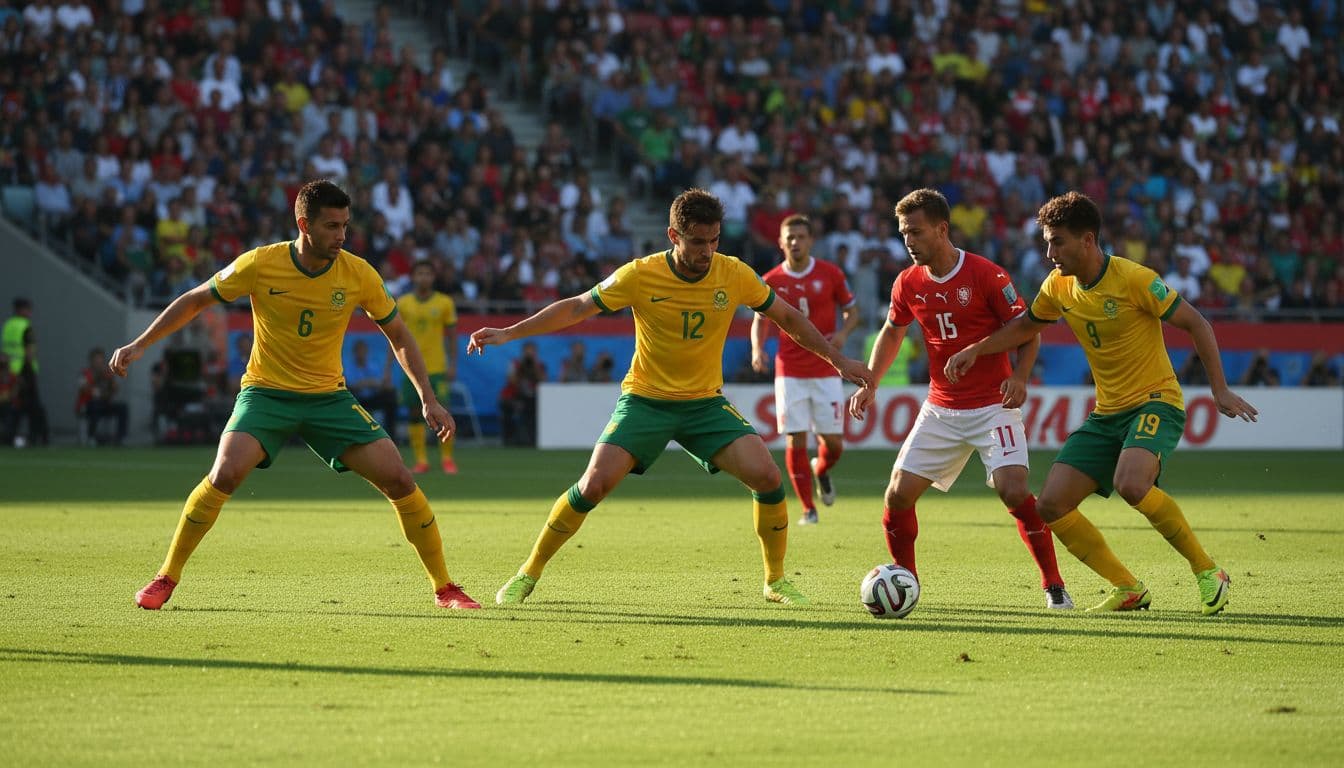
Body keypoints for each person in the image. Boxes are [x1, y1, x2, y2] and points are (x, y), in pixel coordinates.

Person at [469, 188, 874, 606]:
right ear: (673, 236)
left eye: (715, 240)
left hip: (704, 404)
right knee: (592, 485)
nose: (708, 251)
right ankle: (528, 573)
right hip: (646, 401)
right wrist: (509, 332)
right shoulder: (639, 275)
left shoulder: (733, 273)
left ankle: (775, 581)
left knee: (768, 478)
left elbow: (787, 317)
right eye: (698, 241)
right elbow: (576, 307)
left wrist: (838, 360)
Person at [109, 180, 480, 611]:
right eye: (331, 226)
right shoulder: (261, 264)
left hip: (329, 399)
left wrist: (427, 398)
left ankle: (444, 588)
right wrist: (139, 344)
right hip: (266, 394)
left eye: (345, 226)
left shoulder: (358, 273)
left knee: (399, 479)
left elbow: (398, 334)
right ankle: (165, 577)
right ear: (303, 224)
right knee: (225, 473)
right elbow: (195, 301)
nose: (341, 236)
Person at [945, 191, 1258, 615]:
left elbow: (1197, 324)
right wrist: (977, 350)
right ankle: (1127, 587)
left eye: (1057, 241)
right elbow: (1025, 326)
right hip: (1107, 413)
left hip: (1156, 402)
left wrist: (1218, 389)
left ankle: (1207, 571)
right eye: (1047, 242)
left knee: (1132, 484)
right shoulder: (1058, 286)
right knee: (1051, 504)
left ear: (1088, 240)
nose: (1049, 251)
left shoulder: (1134, 279)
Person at [850, 189, 1072, 610]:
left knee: (1013, 490)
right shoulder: (908, 281)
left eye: (915, 232)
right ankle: (905, 582)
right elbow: (893, 332)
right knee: (897, 495)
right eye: (902, 234)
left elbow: (1029, 330)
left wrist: (1021, 377)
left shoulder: (987, 275)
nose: (908, 242)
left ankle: (1054, 586)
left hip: (993, 407)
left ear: (942, 228)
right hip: (941, 408)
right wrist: (871, 382)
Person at [750, 214, 860, 525]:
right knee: (795, 438)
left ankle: (821, 470)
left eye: (801, 236)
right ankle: (807, 509)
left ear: (810, 240)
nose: (796, 242)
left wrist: (842, 333)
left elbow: (853, 311)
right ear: (781, 243)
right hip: (790, 370)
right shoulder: (771, 279)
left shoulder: (831, 274)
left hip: (826, 368)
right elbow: (760, 318)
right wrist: (757, 348)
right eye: (790, 238)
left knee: (833, 444)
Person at [396, 260, 459, 473]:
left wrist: (452, 365)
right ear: (413, 277)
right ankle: (421, 461)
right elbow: (394, 338)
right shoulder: (403, 303)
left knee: (444, 410)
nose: (424, 277)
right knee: (414, 412)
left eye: (428, 273)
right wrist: (389, 368)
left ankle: (447, 459)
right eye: (420, 273)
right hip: (410, 369)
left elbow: (452, 338)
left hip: (437, 368)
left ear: (433, 277)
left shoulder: (444, 303)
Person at [2, 297, 49, 447]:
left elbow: (5, 352)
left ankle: (9, 435)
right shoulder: (26, 327)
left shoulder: (8, 325)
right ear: (22, 310)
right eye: (28, 309)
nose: (30, 312)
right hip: (25, 370)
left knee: (15, 405)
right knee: (33, 405)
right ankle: (38, 436)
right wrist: (28, 370)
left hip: (9, 371)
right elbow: (29, 352)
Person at [346, 338, 399, 443]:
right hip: (356, 399)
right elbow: (351, 385)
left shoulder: (373, 365)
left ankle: (391, 437)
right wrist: (369, 383)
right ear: (354, 353)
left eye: (363, 351)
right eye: (358, 351)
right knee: (347, 396)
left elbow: (381, 383)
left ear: (366, 352)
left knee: (390, 395)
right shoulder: (349, 367)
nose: (361, 354)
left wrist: (365, 383)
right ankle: (350, 436)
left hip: (372, 397)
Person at [76, 346, 128, 445]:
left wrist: (111, 380)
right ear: (91, 361)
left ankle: (120, 438)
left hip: (104, 404)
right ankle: (91, 437)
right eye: (96, 360)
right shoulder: (85, 373)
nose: (99, 363)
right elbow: (84, 389)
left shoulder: (106, 373)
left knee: (123, 408)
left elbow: (114, 389)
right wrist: (96, 378)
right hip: (88, 405)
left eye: (101, 360)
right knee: (94, 406)